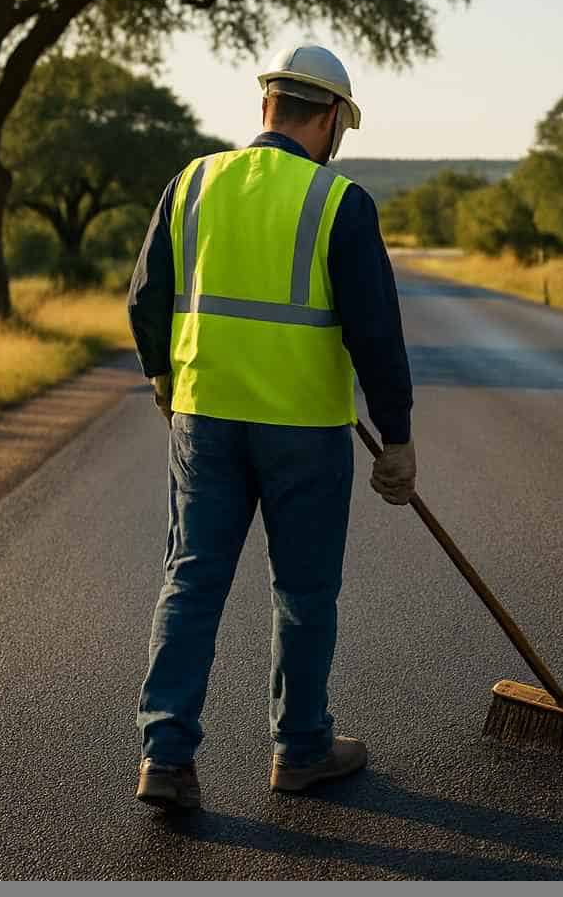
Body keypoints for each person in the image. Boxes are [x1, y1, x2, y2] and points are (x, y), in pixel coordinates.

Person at [126, 44, 415, 812]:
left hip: (205, 421)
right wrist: (400, 438)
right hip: (305, 434)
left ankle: (166, 758)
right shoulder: (339, 202)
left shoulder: (191, 184)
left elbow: (144, 301)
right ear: (331, 121)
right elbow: (375, 336)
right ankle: (300, 749)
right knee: (304, 592)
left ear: (267, 107)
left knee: (190, 582)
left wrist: (165, 379)